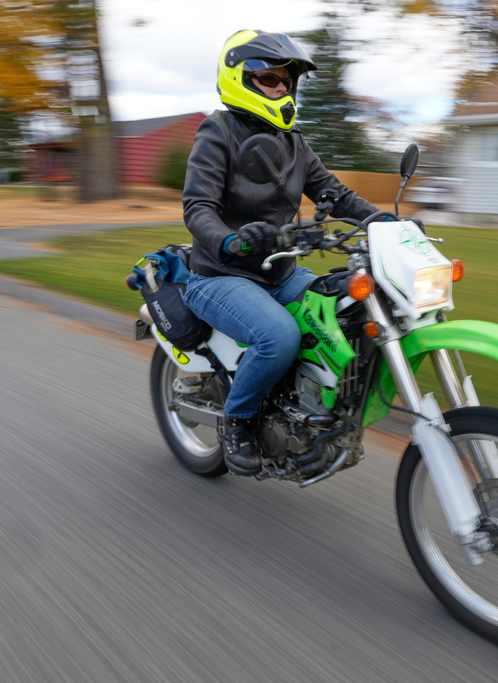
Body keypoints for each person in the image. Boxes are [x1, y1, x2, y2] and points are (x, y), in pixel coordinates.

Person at [182, 29, 381, 476]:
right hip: (219, 274)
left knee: (346, 310)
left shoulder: (294, 142)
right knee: (279, 337)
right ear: (241, 79)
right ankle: (239, 421)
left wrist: (388, 222)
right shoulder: (218, 132)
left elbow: (336, 194)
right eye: (272, 79)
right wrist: (231, 240)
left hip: (279, 270)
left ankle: (315, 414)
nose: (283, 89)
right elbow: (198, 208)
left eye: (287, 82)